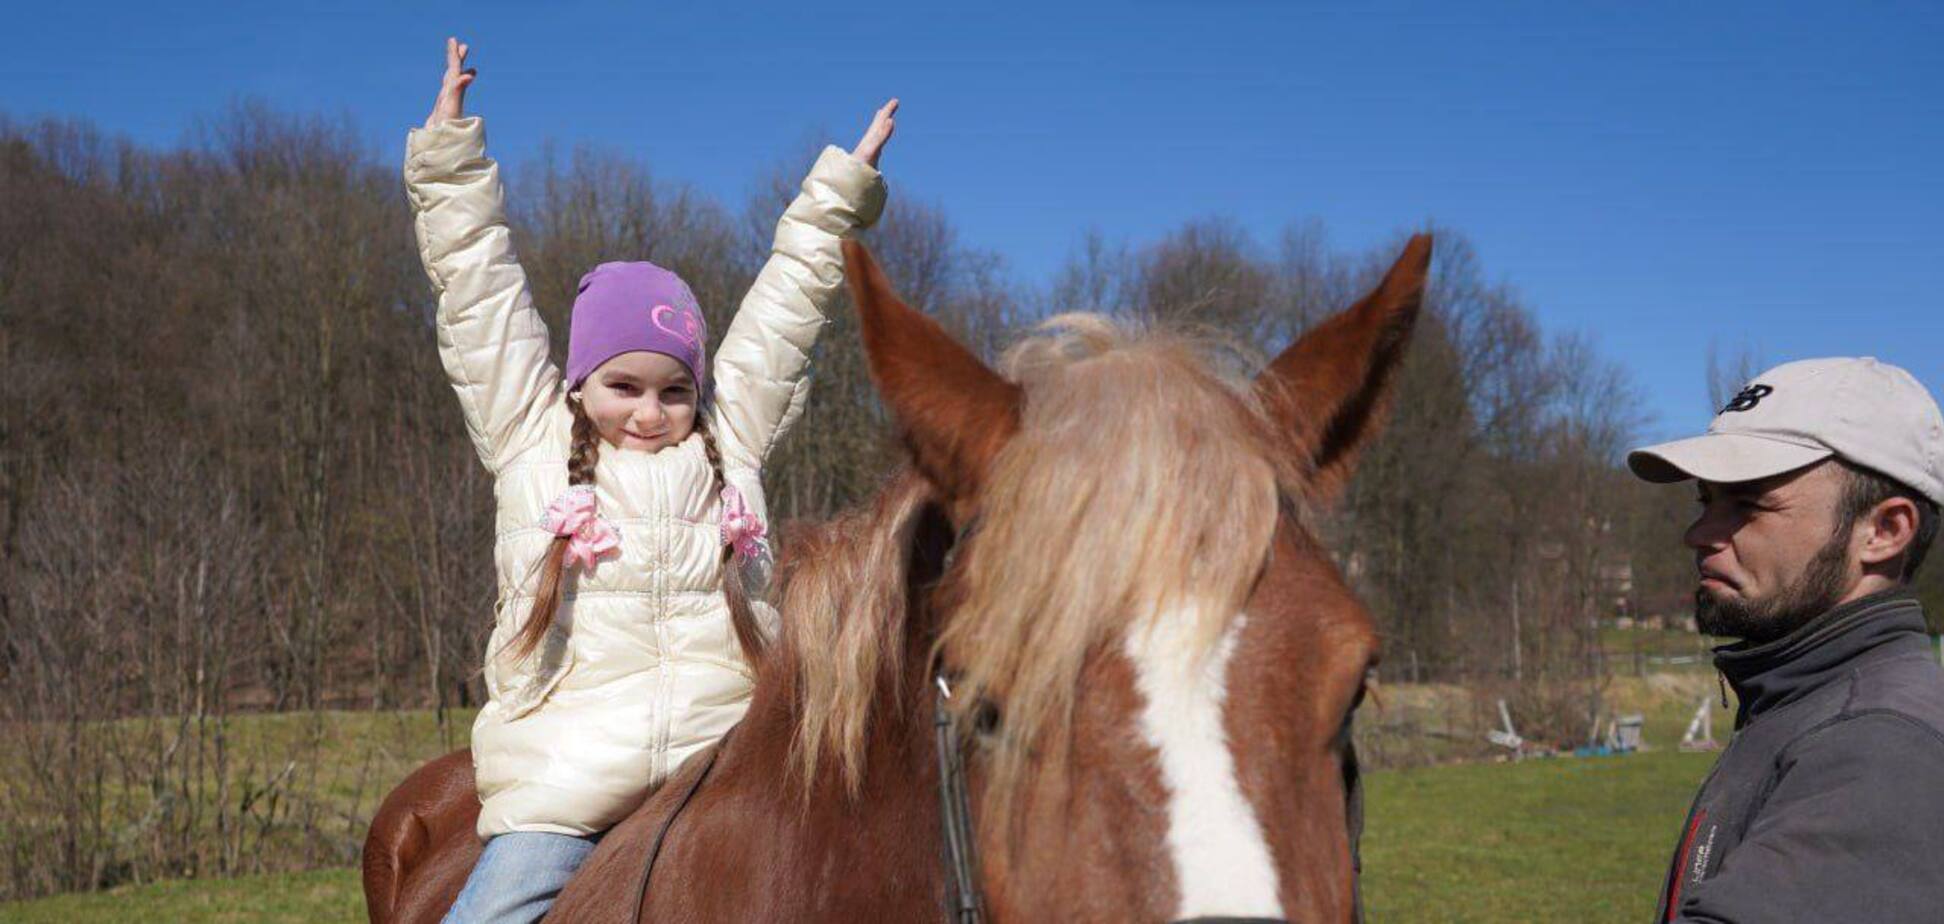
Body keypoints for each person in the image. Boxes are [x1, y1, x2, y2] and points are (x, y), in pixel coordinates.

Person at [406, 37, 895, 922]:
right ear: (579, 380)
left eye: (675, 389)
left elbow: (788, 310)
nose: (648, 411)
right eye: (624, 386)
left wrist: (837, 200)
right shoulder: (529, 434)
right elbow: (476, 289)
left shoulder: (726, 440)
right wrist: (449, 162)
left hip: (732, 762)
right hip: (567, 783)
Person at [1627, 356, 1944, 923]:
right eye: (1707, 502)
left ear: (1884, 531)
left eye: (1747, 504)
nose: (1697, 534)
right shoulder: (1801, 700)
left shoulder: (1880, 746)